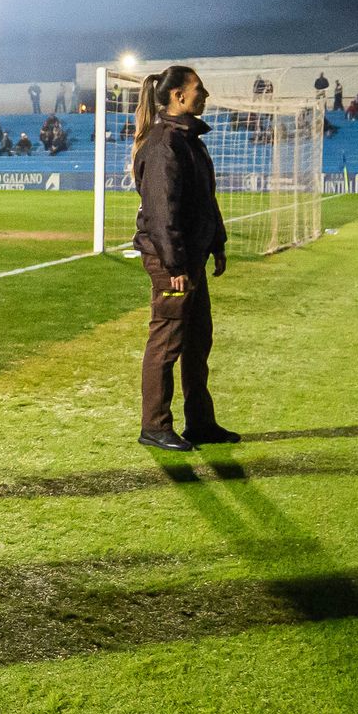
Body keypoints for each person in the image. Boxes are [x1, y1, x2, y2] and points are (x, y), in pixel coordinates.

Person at [130, 65, 236, 451]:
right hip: (171, 263)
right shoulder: (163, 145)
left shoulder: (190, 140)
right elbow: (162, 213)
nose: (204, 94)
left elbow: (205, 202)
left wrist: (218, 244)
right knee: (167, 341)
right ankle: (155, 426)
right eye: (198, 89)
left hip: (191, 259)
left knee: (197, 341)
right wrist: (174, 266)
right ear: (177, 96)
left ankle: (201, 423)